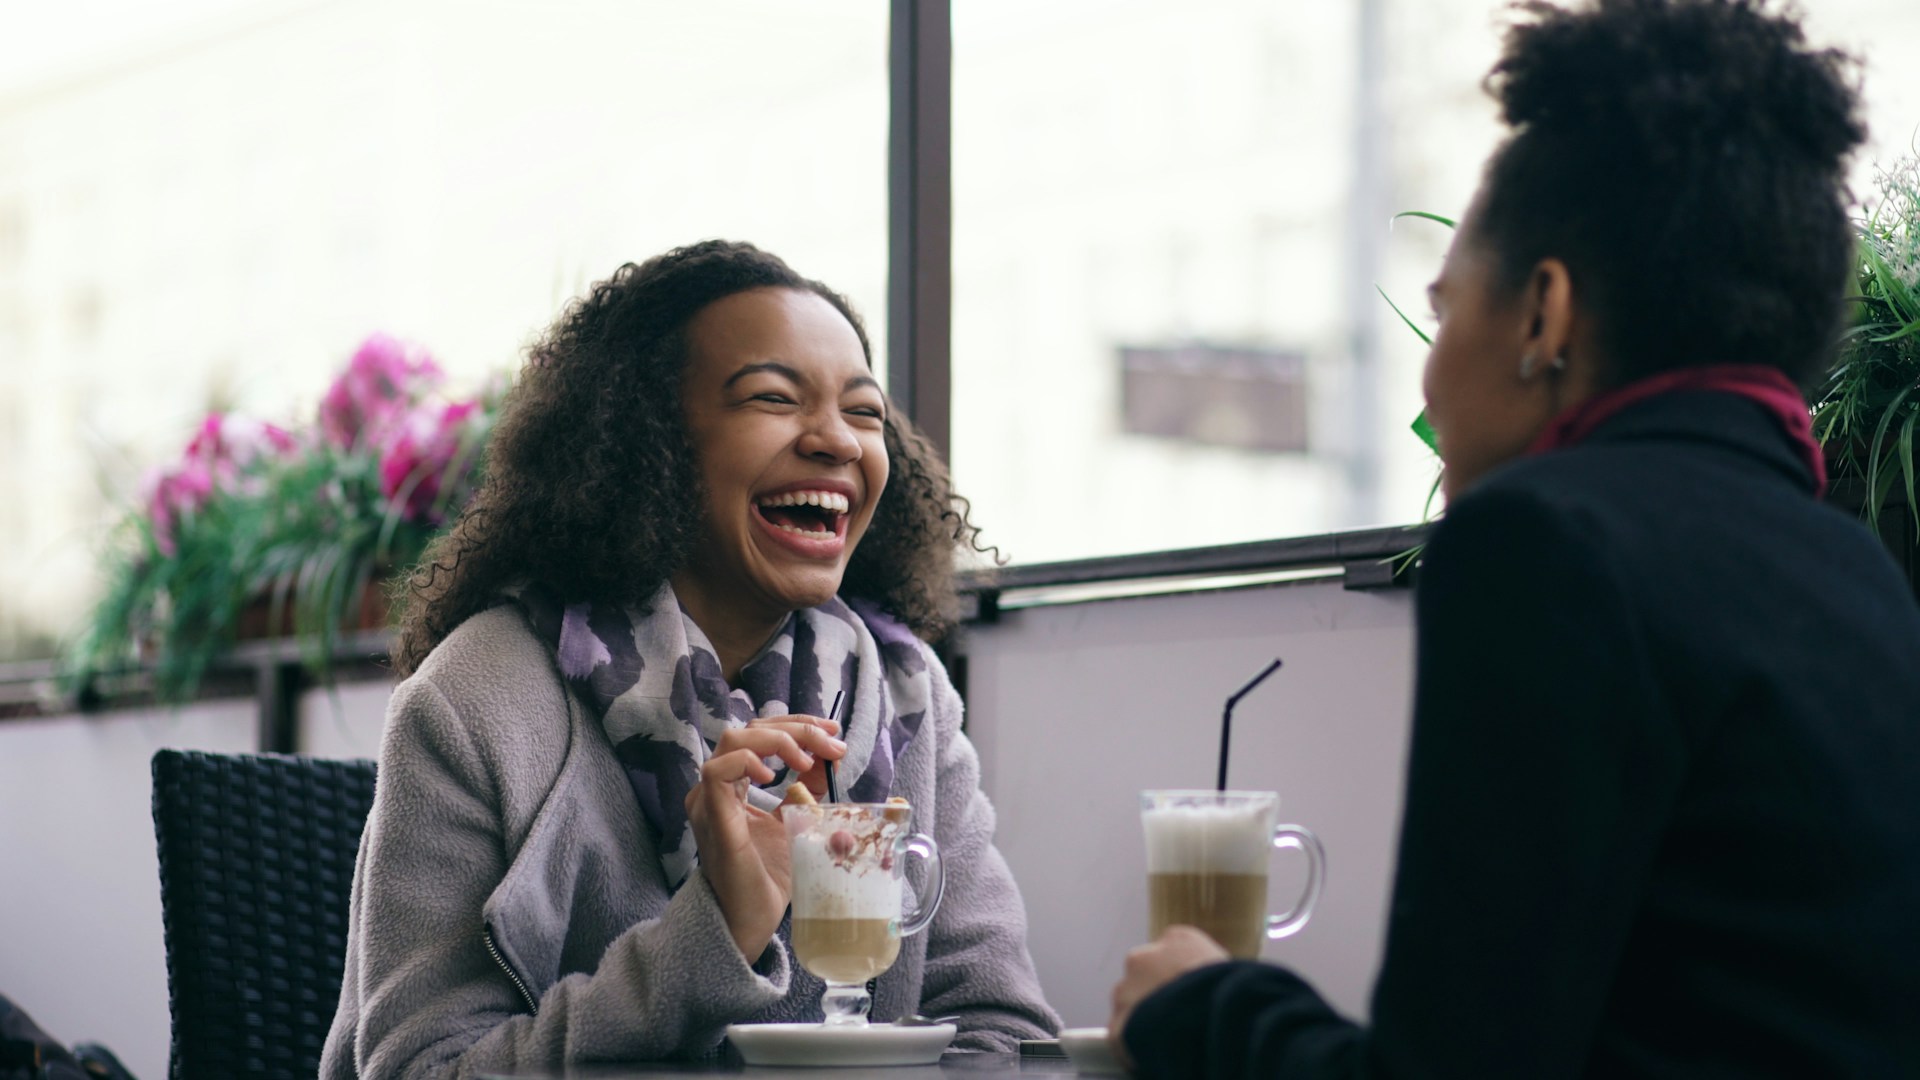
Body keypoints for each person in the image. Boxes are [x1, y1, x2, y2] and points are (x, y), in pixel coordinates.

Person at [1109, 0, 1920, 1075]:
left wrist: (1200, 1006)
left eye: (1445, 312)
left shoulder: (1546, 544)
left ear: (1544, 313)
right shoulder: (1858, 570)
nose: (1430, 372)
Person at [320, 241, 1059, 1078]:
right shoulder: (476, 701)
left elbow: (1001, 1026)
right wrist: (717, 934)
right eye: (774, 399)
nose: (837, 442)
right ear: (651, 445)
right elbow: (420, 1069)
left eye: (864, 413)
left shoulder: (906, 694)